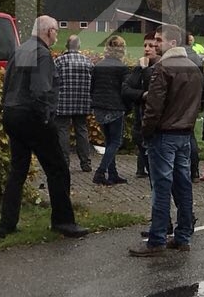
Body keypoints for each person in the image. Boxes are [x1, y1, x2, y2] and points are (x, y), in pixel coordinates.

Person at [0, 16, 88, 239]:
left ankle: (6, 224)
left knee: (18, 171)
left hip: (12, 113)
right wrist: (47, 119)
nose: (57, 35)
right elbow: (42, 91)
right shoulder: (43, 54)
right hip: (32, 116)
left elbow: (7, 83)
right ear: (48, 32)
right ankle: (63, 221)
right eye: (56, 31)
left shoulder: (20, 50)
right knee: (57, 168)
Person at [131, 25, 202, 256]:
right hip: (185, 133)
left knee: (161, 188)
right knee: (183, 186)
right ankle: (183, 237)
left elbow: (154, 106)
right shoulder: (194, 68)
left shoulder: (162, 69)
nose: (156, 44)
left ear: (173, 43)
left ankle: (157, 239)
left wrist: (146, 131)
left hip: (164, 134)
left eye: (160, 40)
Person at [90, 35, 130, 185]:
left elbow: (92, 86)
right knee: (115, 142)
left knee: (109, 142)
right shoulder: (122, 68)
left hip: (99, 106)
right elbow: (125, 89)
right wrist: (127, 106)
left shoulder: (99, 65)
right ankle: (100, 172)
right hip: (115, 107)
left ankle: (113, 173)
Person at [54, 35, 95, 173]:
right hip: (82, 102)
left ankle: (64, 162)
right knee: (82, 130)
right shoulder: (87, 62)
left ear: (66, 46)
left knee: (63, 131)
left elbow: (52, 81)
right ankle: (85, 163)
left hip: (63, 102)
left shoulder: (59, 61)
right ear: (79, 46)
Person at [123, 33, 161, 177]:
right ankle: (143, 170)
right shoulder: (140, 67)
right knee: (141, 143)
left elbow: (155, 91)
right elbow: (125, 88)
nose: (147, 49)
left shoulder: (160, 68)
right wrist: (141, 95)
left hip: (154, 119)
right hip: (140, 116)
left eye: (151, 46)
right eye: (145, 45)